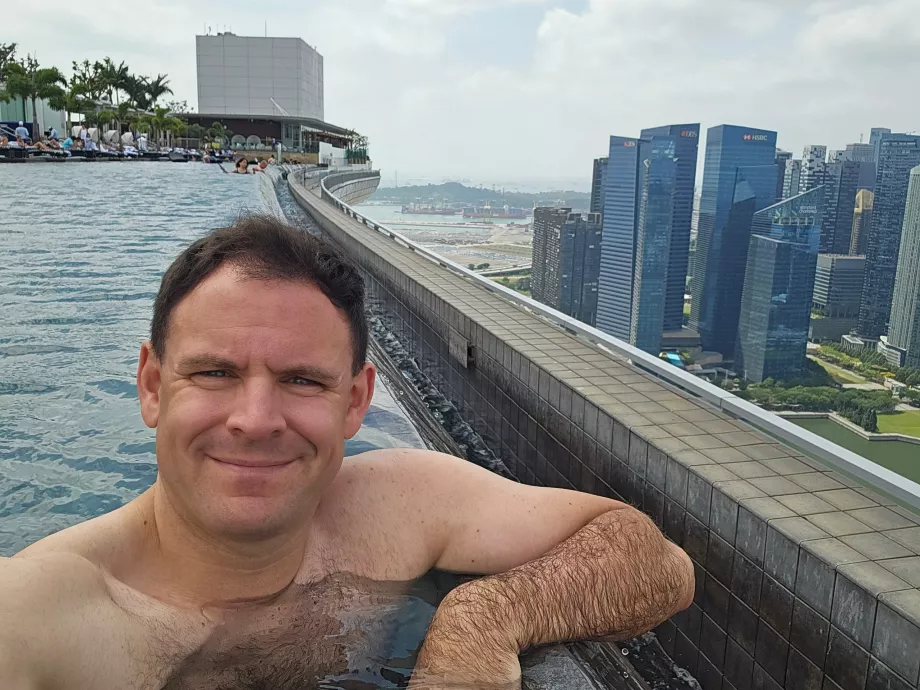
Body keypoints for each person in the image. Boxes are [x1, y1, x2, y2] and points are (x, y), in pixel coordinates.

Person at [0, 216, 693, 689]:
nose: (255, 419)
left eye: (301, 380)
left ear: (356, 401)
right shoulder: (46, 612)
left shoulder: (398, 505)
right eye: (215, 373)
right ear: (153, 387)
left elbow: (658, 561)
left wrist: (484, 620)